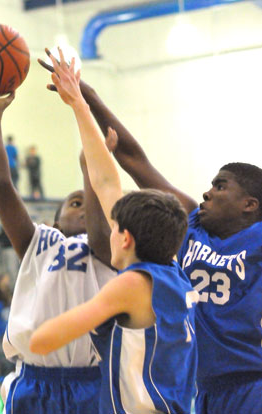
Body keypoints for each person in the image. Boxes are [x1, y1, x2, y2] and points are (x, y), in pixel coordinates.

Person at [39, 50, 262, 414]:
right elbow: (130, 160)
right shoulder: (188, 226)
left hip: (252, 384)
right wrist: (87, 97)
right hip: (204, 390)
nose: (207, 192)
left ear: (250, 204)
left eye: (220, 187)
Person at [29, 48, 198, 414]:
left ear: (124, 238)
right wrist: (77, 103)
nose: (106, 227)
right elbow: (106, 181)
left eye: (113, 225)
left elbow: (42, 342)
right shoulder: (173, 271)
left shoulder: (132, 285)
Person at [0, 83, 115, 414]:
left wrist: (89, 163)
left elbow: (100, 225)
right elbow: (0, 186)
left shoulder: (110, 247)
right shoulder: (41, 242)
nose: (82, 206)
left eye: (87, 201)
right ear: (57, 221)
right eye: (74, 202)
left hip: (93, 383)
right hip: (34, 382)